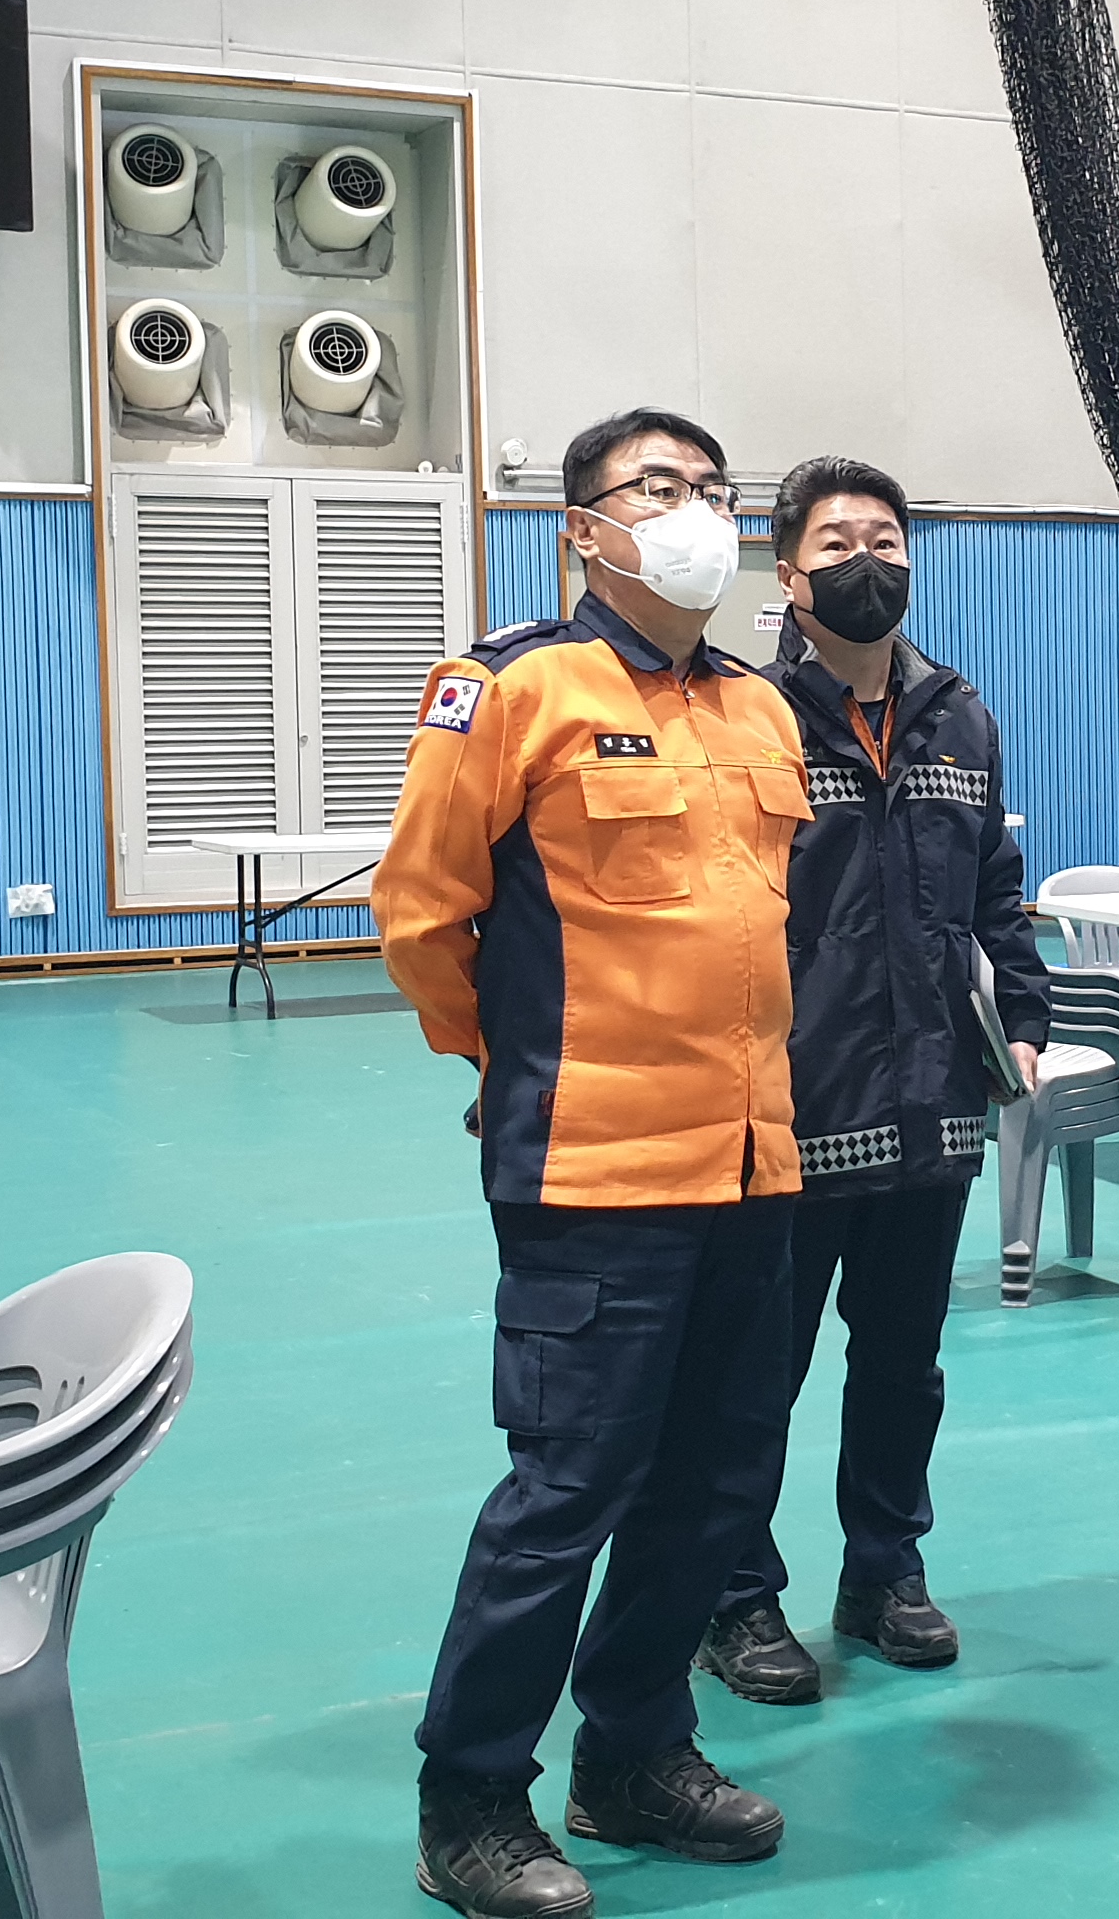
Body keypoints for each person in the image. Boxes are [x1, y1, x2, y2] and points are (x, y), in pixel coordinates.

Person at [377, 408, 814, 1918]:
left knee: (715, 1485)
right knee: (566, 1493)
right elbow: (422, 917)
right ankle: (470, 1799)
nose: (696, 511)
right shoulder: (510, 688)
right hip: (592, 1168)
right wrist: (514, 1071)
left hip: (753, 1164)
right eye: (658, 487)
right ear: (584, 529)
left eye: (714, 488)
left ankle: (633, 1755)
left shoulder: (760, 708)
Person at [691, 455, 1053, 1706]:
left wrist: (1025, 1015)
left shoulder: (961, 714)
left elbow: (993, 893)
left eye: (887, 541)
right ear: (787, 573)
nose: (868, 561)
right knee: (757, 1372)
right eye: (838, 543)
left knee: (904, 1363)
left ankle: (885, 1571)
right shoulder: (742, 716)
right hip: (791, 1103)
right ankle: (733, 1595)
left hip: (932, 1100)